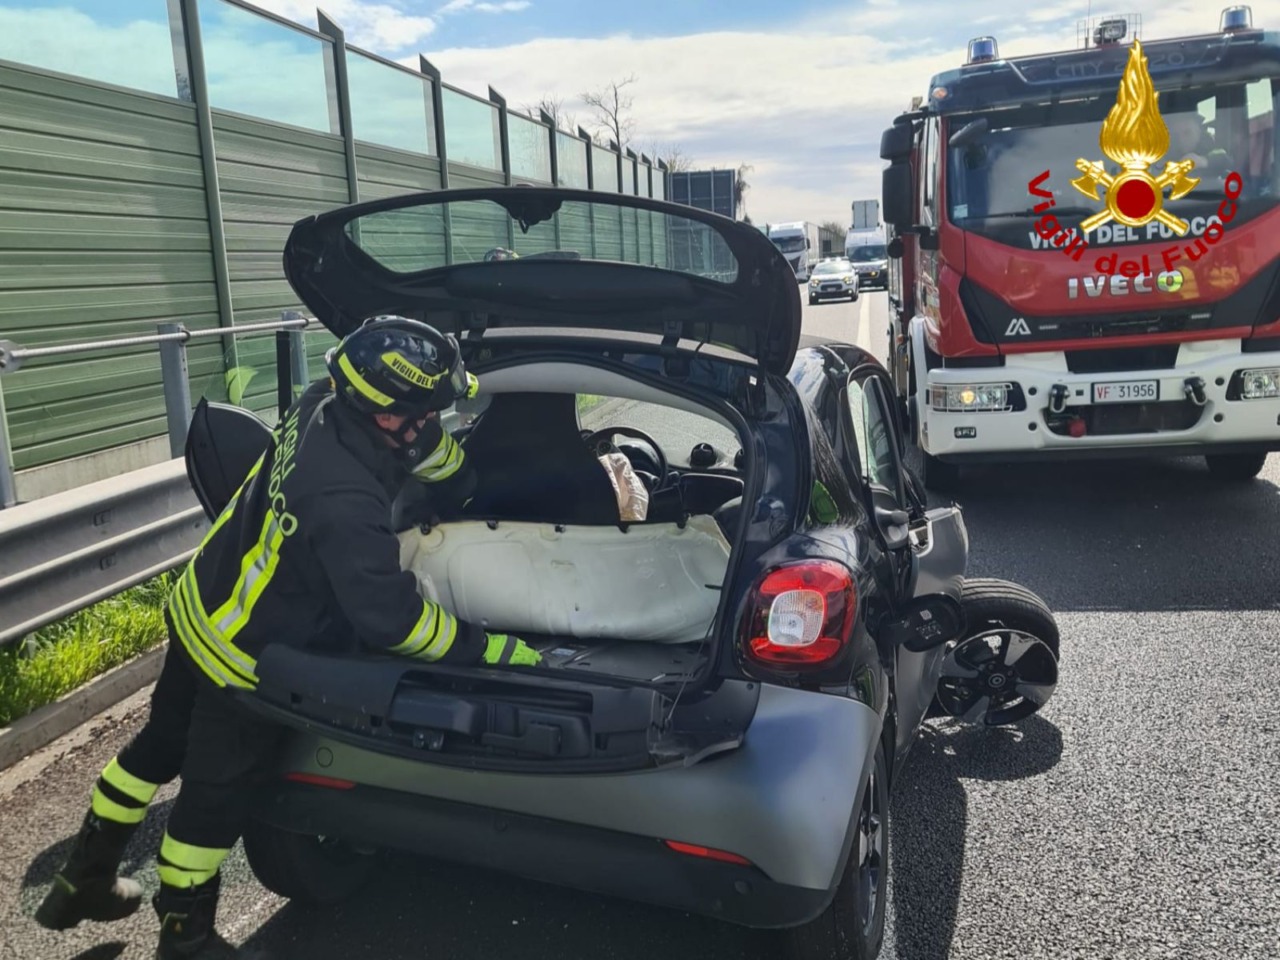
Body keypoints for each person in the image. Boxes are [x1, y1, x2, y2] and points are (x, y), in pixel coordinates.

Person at [33, 316, 542, 959]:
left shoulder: (322, 401)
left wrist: (463, 479)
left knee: (158, 746)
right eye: (422, 411)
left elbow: (425, 447)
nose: (427, 422)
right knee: (215, 798)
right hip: (240, 655)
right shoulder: (343, 498)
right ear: (385, 414)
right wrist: (486, 648)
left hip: (199, 604)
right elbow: (394, 622)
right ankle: (184, 938)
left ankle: (82, 879)